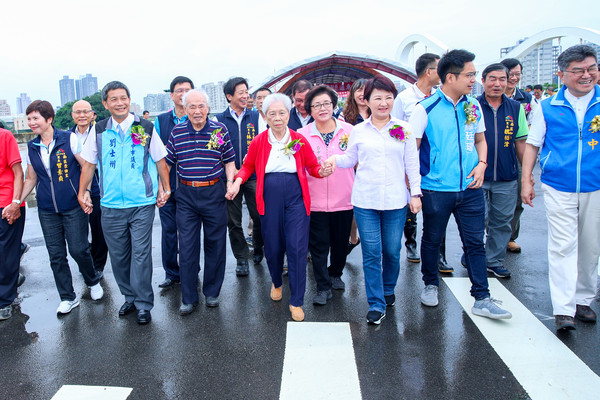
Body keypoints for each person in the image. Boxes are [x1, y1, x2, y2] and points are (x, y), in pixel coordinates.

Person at [409, 49, 512, 320]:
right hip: (436, 188)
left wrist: (481, 165)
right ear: (450, 77)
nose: (473, 80)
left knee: (475, 243)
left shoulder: (472, 106)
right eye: (470, 74)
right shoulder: (425, 109)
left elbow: (480, 140)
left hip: (470, 188)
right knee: (432, 240)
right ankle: (430, 284)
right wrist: (416, 190)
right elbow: (413, 150)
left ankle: (482, 297)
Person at [325, 76, 421, 325]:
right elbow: (350, 159)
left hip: (395, 201)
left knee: (392, 250)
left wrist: (415, 194)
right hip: (365, 201)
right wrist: (334, 160)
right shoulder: (358, 130)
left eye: (388, 97)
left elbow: (412, 164)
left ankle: (388, 288)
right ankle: (376, 302)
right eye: (377, 98)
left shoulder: (403, 129)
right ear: (366, 101)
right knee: (371, 252)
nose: (383, 103)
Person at [226, 93, 331, 322]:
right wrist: (237, 182)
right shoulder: (259, 141)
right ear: (265, 115)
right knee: (273, 247)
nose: (277, 118)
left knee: (296, 248)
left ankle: (296, 301)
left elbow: (313, 166)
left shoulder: (298, 139)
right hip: (269, 196)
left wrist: (321, 171)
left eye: (282, 113)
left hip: (296, 197)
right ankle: (276, 281)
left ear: (288, 113)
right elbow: (248, 167)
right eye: (271, 113)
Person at [78, 81, 171, 325]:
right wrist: (83, 191)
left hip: (142, 203)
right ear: (106, 104)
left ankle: (143, 304)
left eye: (124, 98)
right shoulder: (98, 130)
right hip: (110, 206)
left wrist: (165, 188)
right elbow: (88, 164)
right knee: (119, 257)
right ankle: (129, 296)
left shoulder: (145, 127)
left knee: (141, 255)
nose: (120, 103)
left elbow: (160, 160)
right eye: (114, 99)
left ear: (130, 100)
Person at [522, 45, 600, 331]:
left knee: (592, 246)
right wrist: (526, 179)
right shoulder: (547, 106)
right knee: (563, 245)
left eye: (591, 68)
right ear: (562, 75)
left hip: (596, 185)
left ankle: (584, 299)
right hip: (558, 185)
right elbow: (533, 144)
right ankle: (564, 308)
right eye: (578, 70)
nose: (586, 75)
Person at [20, 100, 103, 315]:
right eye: (29, 119)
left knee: (78, 249)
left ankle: (93, 281)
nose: (31, 122)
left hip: (72, 205)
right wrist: (16, 200)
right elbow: (31, 178)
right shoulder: (32, 146)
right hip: (47, 209)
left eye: (35, 118)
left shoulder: (68, 139)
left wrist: (83, 192)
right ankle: (67, 297)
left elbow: (87, 165)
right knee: (56, 255)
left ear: (49, 119)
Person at [166, 90, 236, 314]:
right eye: (192, 107)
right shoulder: (177, 132)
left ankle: (212, 292)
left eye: (201, 106)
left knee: (216, 243)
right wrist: (163, 189)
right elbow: (167, 163)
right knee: (187, 246)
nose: (197, 111)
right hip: (185, 194)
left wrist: (230, 183)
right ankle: (188, 297)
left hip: (214, 192)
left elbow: (229, 160)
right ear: (185, 109)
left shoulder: (219, 129)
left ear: (208, 108)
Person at [392, 53, 452, 271]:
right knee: (411, 209)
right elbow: (396, 130)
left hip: (436, 165)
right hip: (412, 162)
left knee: (438, 213)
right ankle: (411, 244)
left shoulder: (442, 97)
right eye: (440, 68)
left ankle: (440, 256)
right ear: (429, 71)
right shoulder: (405, 98)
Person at [468, 63, 529, 279]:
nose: (497, 84)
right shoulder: (472, 106)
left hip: (506, 175)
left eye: (502, 79)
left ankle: (493, 260)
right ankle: (473, 256)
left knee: (502, 221)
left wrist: (527, 174)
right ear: (482, 81)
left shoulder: (515, 108)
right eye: (492, 79)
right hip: (477, 174)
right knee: (476, 220)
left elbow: (521, 142)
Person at [298, 85, 354, 304]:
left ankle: (336, 273)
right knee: (318, 246)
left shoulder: (350, 131)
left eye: (326, 104)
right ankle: (322, 286)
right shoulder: (301, 135)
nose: (322, 108)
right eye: (316, 105)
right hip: (315, 201)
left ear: (334, 105)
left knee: (340, 244)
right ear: (310, 110)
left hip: (345, 199)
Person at [216, 77, 263, 276]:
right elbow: (216, 147)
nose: (245, 96)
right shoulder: (218, 120)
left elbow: (263, 144)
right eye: (240, 92)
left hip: (252, 176)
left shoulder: (256, 117)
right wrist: (231, 170)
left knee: (260, 216)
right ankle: (241, 258)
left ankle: (259, 248)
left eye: (246, 92)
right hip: (229, 178)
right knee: (233, 221)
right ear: (229, 96)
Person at [154, 76, 194, 288]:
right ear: (171, 95)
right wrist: (161, 187)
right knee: (169, 230)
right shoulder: (160, 121)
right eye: (179, 90)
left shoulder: (198, 118)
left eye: (187, 90)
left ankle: (191, 269)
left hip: (191, 187)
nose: (183, 94)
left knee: (189, 232)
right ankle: (171, 273)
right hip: (168, 185)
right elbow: (157, 156)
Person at [71, 100, 108, 277]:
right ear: (72, 116)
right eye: (77, 112)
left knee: (98, 228)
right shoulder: (67, 137)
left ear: (93, 114)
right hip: (75, 190)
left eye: (86, 112)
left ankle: (98, 265)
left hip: (98, 189)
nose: (82, 115)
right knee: (79, 231)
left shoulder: (102, 134)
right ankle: (86, 261)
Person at [500, 58, 532, 254]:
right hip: (494, 150)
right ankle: (494, 234)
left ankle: (510, 237)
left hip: (517, 148)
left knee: (517, 196)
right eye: (510, 74)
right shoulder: (484, 99)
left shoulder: (525, 98)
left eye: (517, 74)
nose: (513, 78)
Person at [340, 79, 370, 255]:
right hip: (352, 167)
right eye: (357, 90)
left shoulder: (378, 114)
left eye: (365, 90)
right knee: (352, 206)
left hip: (371, 167)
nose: (361, 94)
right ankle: (352, 238)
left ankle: (361, 240)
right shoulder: (346, 116)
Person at [0, 126, 25, 321]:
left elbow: (18, 172)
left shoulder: (4, 136)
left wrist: (15, 203)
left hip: (6, 203)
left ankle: (5, 300)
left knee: (6, 253)